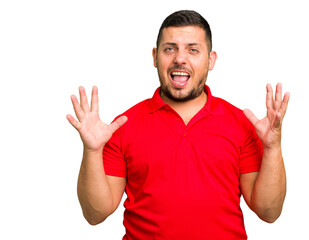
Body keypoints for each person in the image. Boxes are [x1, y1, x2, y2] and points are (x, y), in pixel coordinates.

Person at [67, 10, 290, 240]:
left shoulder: (241, 124)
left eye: (193, 49)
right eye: (170, 48)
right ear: (155, 57)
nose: (180, 58)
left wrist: (273, 148)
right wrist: (92, 151)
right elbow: (95, 214)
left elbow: (269, 211)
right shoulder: (122, 126)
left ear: (211, 60)